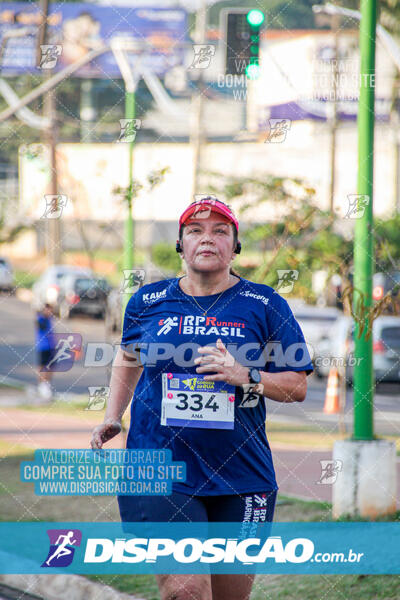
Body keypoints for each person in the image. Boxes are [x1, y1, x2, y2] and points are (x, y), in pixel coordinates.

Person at [91, 197, 314, 600]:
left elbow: (298, 386)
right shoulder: (147, 302)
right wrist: (113, 414)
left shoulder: (265, 305)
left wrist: (245, 374)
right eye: (195, 231)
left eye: (220, 231)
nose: (206, 239)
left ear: (235, 246)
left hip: (242, 476)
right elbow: (127, 356)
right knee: (186, 591)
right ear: (180, 244)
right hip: (159, 467)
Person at [35, 303, 56, 401]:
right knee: (42, 366)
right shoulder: (41, 319)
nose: (49, 312)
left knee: (51, 367)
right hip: (43, 347)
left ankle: (47, 384)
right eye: (48, 310)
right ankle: (42, 385)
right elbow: (41, 326)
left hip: (51, 347)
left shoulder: (50, 319)